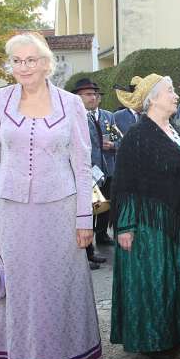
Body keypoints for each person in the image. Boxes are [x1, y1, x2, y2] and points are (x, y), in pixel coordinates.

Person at [0, 32, 102, 359]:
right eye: (17, 61)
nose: (24, 67)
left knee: (59, 283)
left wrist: (84, 219)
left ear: (47, 64)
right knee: (18, 286)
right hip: (9, 208)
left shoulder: (71, 104)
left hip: (61, 207)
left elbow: (82, 164)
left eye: (31, 60)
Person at [110, 74, 180, 359]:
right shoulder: (137, 137)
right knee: (158, 280)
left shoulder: (178, 130)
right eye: (169, 91)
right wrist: (125, 226)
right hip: (150, 222)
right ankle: (156, 340)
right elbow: (125, 184)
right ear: (152, 99)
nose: (176, 95)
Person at [71, 77, 118, 247]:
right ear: (78, 97)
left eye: (95, 94)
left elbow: (119, 140)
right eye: (88, 94)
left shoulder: (108, 117)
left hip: (108, 169)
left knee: (106, 204)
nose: (93, 97)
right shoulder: (75, 118)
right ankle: (87, 247)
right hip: (88, 171)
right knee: (88, 209)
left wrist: (113, 144)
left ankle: (102, 234)